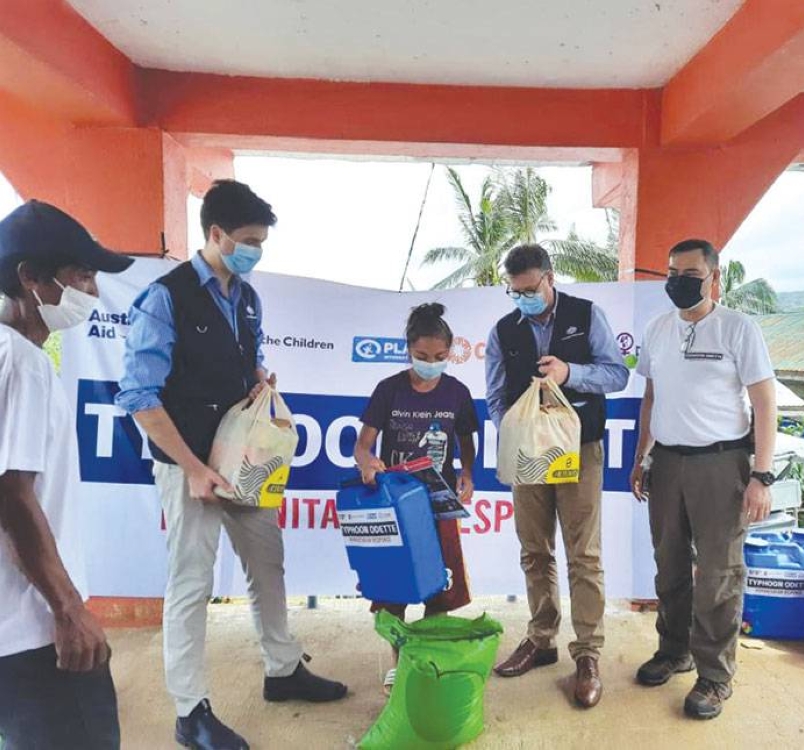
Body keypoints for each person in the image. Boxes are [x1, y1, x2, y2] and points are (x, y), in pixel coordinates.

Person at [116, 180, 346, 750]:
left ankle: (283, 669)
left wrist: (259, 378)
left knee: (268, 563)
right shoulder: (164, 298)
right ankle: (190, 712)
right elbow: (140, 396)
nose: (254, 251)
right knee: (191, 583)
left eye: (261, 242)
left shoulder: (245, 296)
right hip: (189, 465)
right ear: (214, 234)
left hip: (246, 461)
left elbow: (249, 356)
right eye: (246, 240)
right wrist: (194, 468)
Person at [0, 201, 133, 749]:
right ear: (29, 276)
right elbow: (11, 493)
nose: (94, 292)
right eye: (81, 275)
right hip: (34, 632)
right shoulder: (22, 363)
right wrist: (69, 610)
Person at [630, 238, 777, 720]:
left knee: (718, 575)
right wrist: (641, 457)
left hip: (722, 465)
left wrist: (761, 475)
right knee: (669, 564)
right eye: (672, 272)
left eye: (690, 273)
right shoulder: (656, 329)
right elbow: (651, 399)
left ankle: (715, 676)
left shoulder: (738, 329)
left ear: (714, 277)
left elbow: (763, 404)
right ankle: (675, 651)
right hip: (667, 463)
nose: (678, 281)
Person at [485, 244, 629, 709]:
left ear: (550, 277)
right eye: (515, 291)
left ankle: (587, 654)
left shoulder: (587, 316)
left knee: (583, 553)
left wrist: (571, 373)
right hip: (529, 453)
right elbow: (494, 396)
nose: (523, 297)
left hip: (580, 448)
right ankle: (541, 638)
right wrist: (513, 432)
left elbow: (616, 375)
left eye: (530, 288)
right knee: (534, 549)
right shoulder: (502, 330)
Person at [353, 303, 477, 693]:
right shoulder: (388, 389)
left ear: (450, 353)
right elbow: (362, 446)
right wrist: (368, 463)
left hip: (437, 505)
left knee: (439, 585)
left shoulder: (458, 392)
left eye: (440, 358)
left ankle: (428, 659)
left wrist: (469, 474)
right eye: (422, 357)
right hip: (396, 504)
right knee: (394, 589)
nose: (431, 365)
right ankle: (399, 661)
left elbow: (467, 441)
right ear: (408, 350)